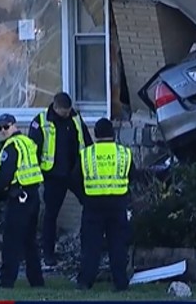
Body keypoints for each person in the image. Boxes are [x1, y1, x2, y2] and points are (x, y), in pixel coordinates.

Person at [29, 92, 93, 267]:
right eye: (63, 112)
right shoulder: (41, 121)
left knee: (91, 204)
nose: (66, 114)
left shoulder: (75, 117)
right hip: (53, 175)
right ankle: (48, 254)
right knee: (51, 215)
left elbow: (86, 141)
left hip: (75, 172)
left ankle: (89, 248)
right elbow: (32, 150)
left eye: (68, 111)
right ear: (55, 107)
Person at [73, 118, 135, 292]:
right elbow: (132, 175)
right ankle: (121, 283)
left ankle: (85, 282)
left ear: (96, 134)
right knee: (118, 246)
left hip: (93, 206)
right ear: (113, 134)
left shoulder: (87, 154)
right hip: (117, 206)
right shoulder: (124, 153)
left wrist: (83, 198)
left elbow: (74, 179)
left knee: (91, 246)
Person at [0, 113, 45, 289]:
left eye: (6, 127)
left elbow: (5, 176)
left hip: (19, 197)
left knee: (12, 241)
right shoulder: (28, 142)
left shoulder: (12, 146)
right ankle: (36, 281)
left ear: (14, 125)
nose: (3, 131)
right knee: (30, 241)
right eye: (0, 128)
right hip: (33, 195)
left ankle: (7, 281)